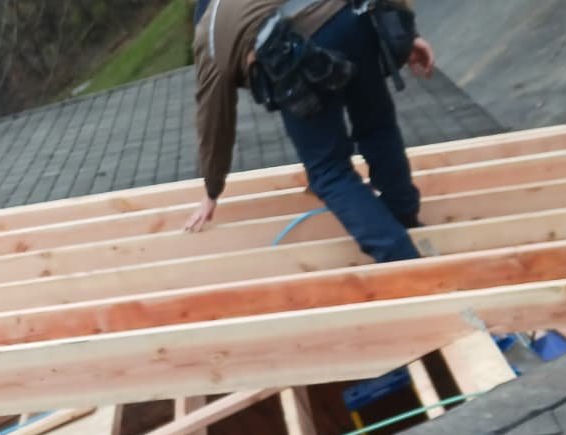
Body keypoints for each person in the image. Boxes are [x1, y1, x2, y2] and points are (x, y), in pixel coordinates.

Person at [183, 0, 437, 263]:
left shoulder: (209, 36)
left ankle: (402, 258)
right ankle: (405, 219)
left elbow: (213, 117)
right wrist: (407, 33)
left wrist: (212, 189)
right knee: (377, 126)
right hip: (351, 19)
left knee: (329, 171)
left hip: (296, 51)